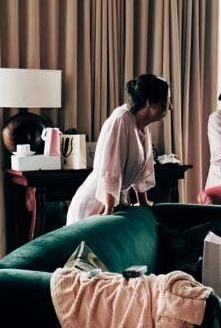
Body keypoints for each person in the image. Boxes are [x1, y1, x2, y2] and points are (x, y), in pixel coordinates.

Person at [67, 74, 170, 224]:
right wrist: (108, 211)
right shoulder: (121, 120)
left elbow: (142, 170)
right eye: (167, 101)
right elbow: (111, 168)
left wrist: (144, 203)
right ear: (150, 103)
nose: (171, 107)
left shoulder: (143, 126)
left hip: (115, 202)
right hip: (95, 203)